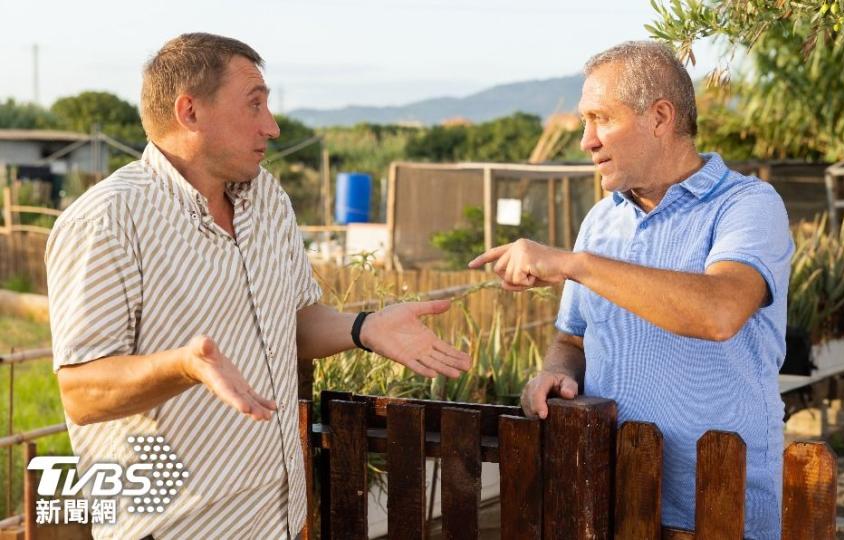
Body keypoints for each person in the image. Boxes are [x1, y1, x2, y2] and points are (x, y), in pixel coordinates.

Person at [46, 33, 471, 539]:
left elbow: (294, 322)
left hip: (278, 521)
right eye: (255, 104)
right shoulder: (107, 220)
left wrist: (365, 327)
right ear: (190, 112)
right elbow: (82, 392)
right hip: (177, 529)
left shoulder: (267, 198)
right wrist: (183, 365)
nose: (271, 126)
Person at [470, 41, 792, 539]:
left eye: (600, 118)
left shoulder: (747, 205)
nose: (586, 140)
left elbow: (720, 310)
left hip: (719, 509)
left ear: (660, 117)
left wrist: (575, 264)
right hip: (612, 503)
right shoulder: (602, 220)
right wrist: (554, 374)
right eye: (584, 121)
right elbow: (572, 340)